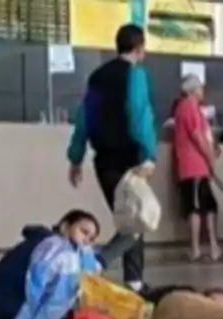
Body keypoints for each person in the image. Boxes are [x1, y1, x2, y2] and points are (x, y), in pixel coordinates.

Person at [67, 24, 157, 291]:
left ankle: (134, 283)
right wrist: (149, 155)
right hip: (130, 162)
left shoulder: (96, 77)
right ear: (140, 48)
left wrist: (76, 157)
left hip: (103, 162)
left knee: (131, 221)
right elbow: (140, 116)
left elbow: (84, 118)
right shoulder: (135, 75)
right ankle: (97, 262)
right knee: (139, 221)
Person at [172, 74, 221, 263]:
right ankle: (198, 249)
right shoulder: (188, 107)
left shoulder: (193, 109)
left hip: (197, 167)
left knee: (207, 206)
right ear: (193, 90)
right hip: (193, 165)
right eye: (200, 88)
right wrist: (210, 157)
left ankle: (209, 248)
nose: (203, 91)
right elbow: (198, 137)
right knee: (197, 208)